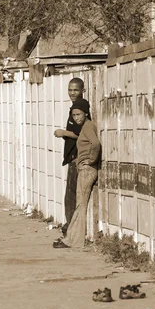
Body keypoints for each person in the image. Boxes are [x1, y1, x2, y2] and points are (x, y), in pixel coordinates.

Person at [53, 97, 101, 249]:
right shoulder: (85, 126)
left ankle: (73, 240)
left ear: (85, 113)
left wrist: (91, 160)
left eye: (79, 114)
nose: (76, 118)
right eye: (74, 115)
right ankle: (72, 239)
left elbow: (96, 144)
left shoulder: (88, 126)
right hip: (84, 169)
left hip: (87, 170)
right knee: (79, 205)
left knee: (80, 206)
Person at [54, 78, 91, 237]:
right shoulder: (76, 108)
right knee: (70, 196)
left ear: (83, 90)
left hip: (77, 158)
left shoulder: (81, 109)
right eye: (70, 90)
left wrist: (63, 133)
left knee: (72, 198)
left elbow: (81, 134)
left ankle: (71, 231)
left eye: (75, 90)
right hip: (72, 158)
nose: (72, 93)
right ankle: (69, 229)